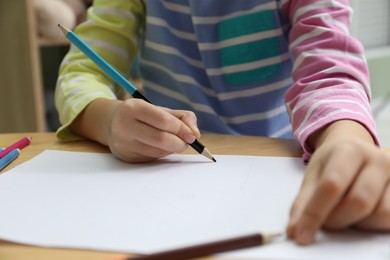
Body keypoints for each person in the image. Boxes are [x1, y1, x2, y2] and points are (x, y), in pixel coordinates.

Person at [55, 0, 390, 245]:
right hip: (162, 185)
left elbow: (329, 71)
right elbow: (82, 72)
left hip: (287, 172)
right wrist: (108, 119)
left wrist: (346, 139)